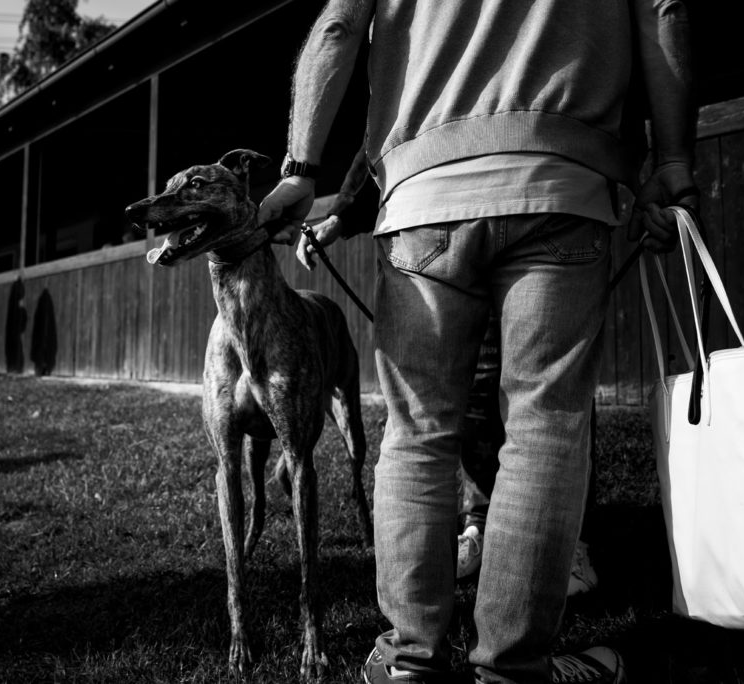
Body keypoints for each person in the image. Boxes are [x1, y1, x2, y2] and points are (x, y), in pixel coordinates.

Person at [258, 1, 698, 682]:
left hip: (425, 192)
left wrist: (301, 167)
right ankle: (516, 669)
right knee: (545, 428)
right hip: (562, 181)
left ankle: (409, 661)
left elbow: (339, 27)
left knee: (418, 432)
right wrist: (672, 159)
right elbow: (663, 11)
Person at [314, 146, 600, 591]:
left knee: (536, 407)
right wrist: (342, 213)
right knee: (479, 403)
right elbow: (381, 125)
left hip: (520, 192)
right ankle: (483, 523)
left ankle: (560, 547)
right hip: (483, 198)